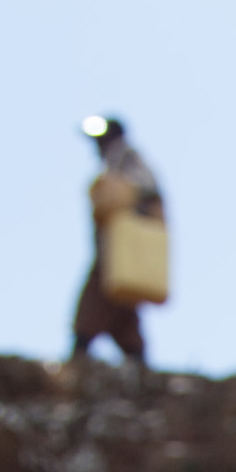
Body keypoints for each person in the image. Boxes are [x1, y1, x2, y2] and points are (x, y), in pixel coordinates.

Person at [71, 116, 162, 369]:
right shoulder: (115, 164)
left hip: (119, 253)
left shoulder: (128, 159)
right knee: (122, 312)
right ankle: (139, 367)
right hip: (115, 252)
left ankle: (76, 363)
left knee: (93, 304)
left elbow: (147, 190)